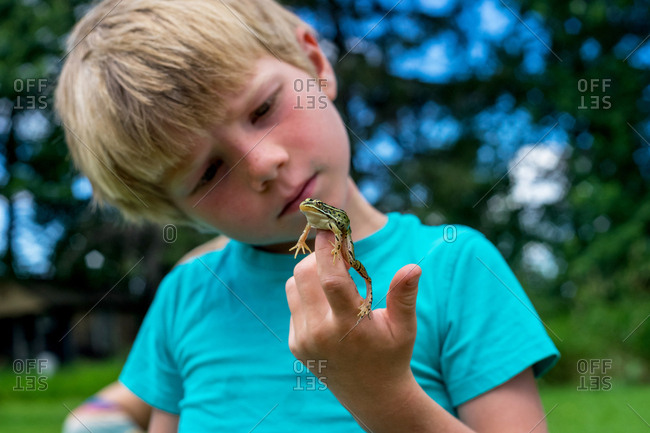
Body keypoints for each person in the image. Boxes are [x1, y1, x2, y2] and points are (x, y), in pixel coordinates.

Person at [55, 0, 559, 431]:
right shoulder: (184, 296)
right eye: (208, 172)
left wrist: (382, 394)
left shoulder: (455, 265)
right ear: (174, 209)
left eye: (262, 109)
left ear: (316, 63)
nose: (263, 164)